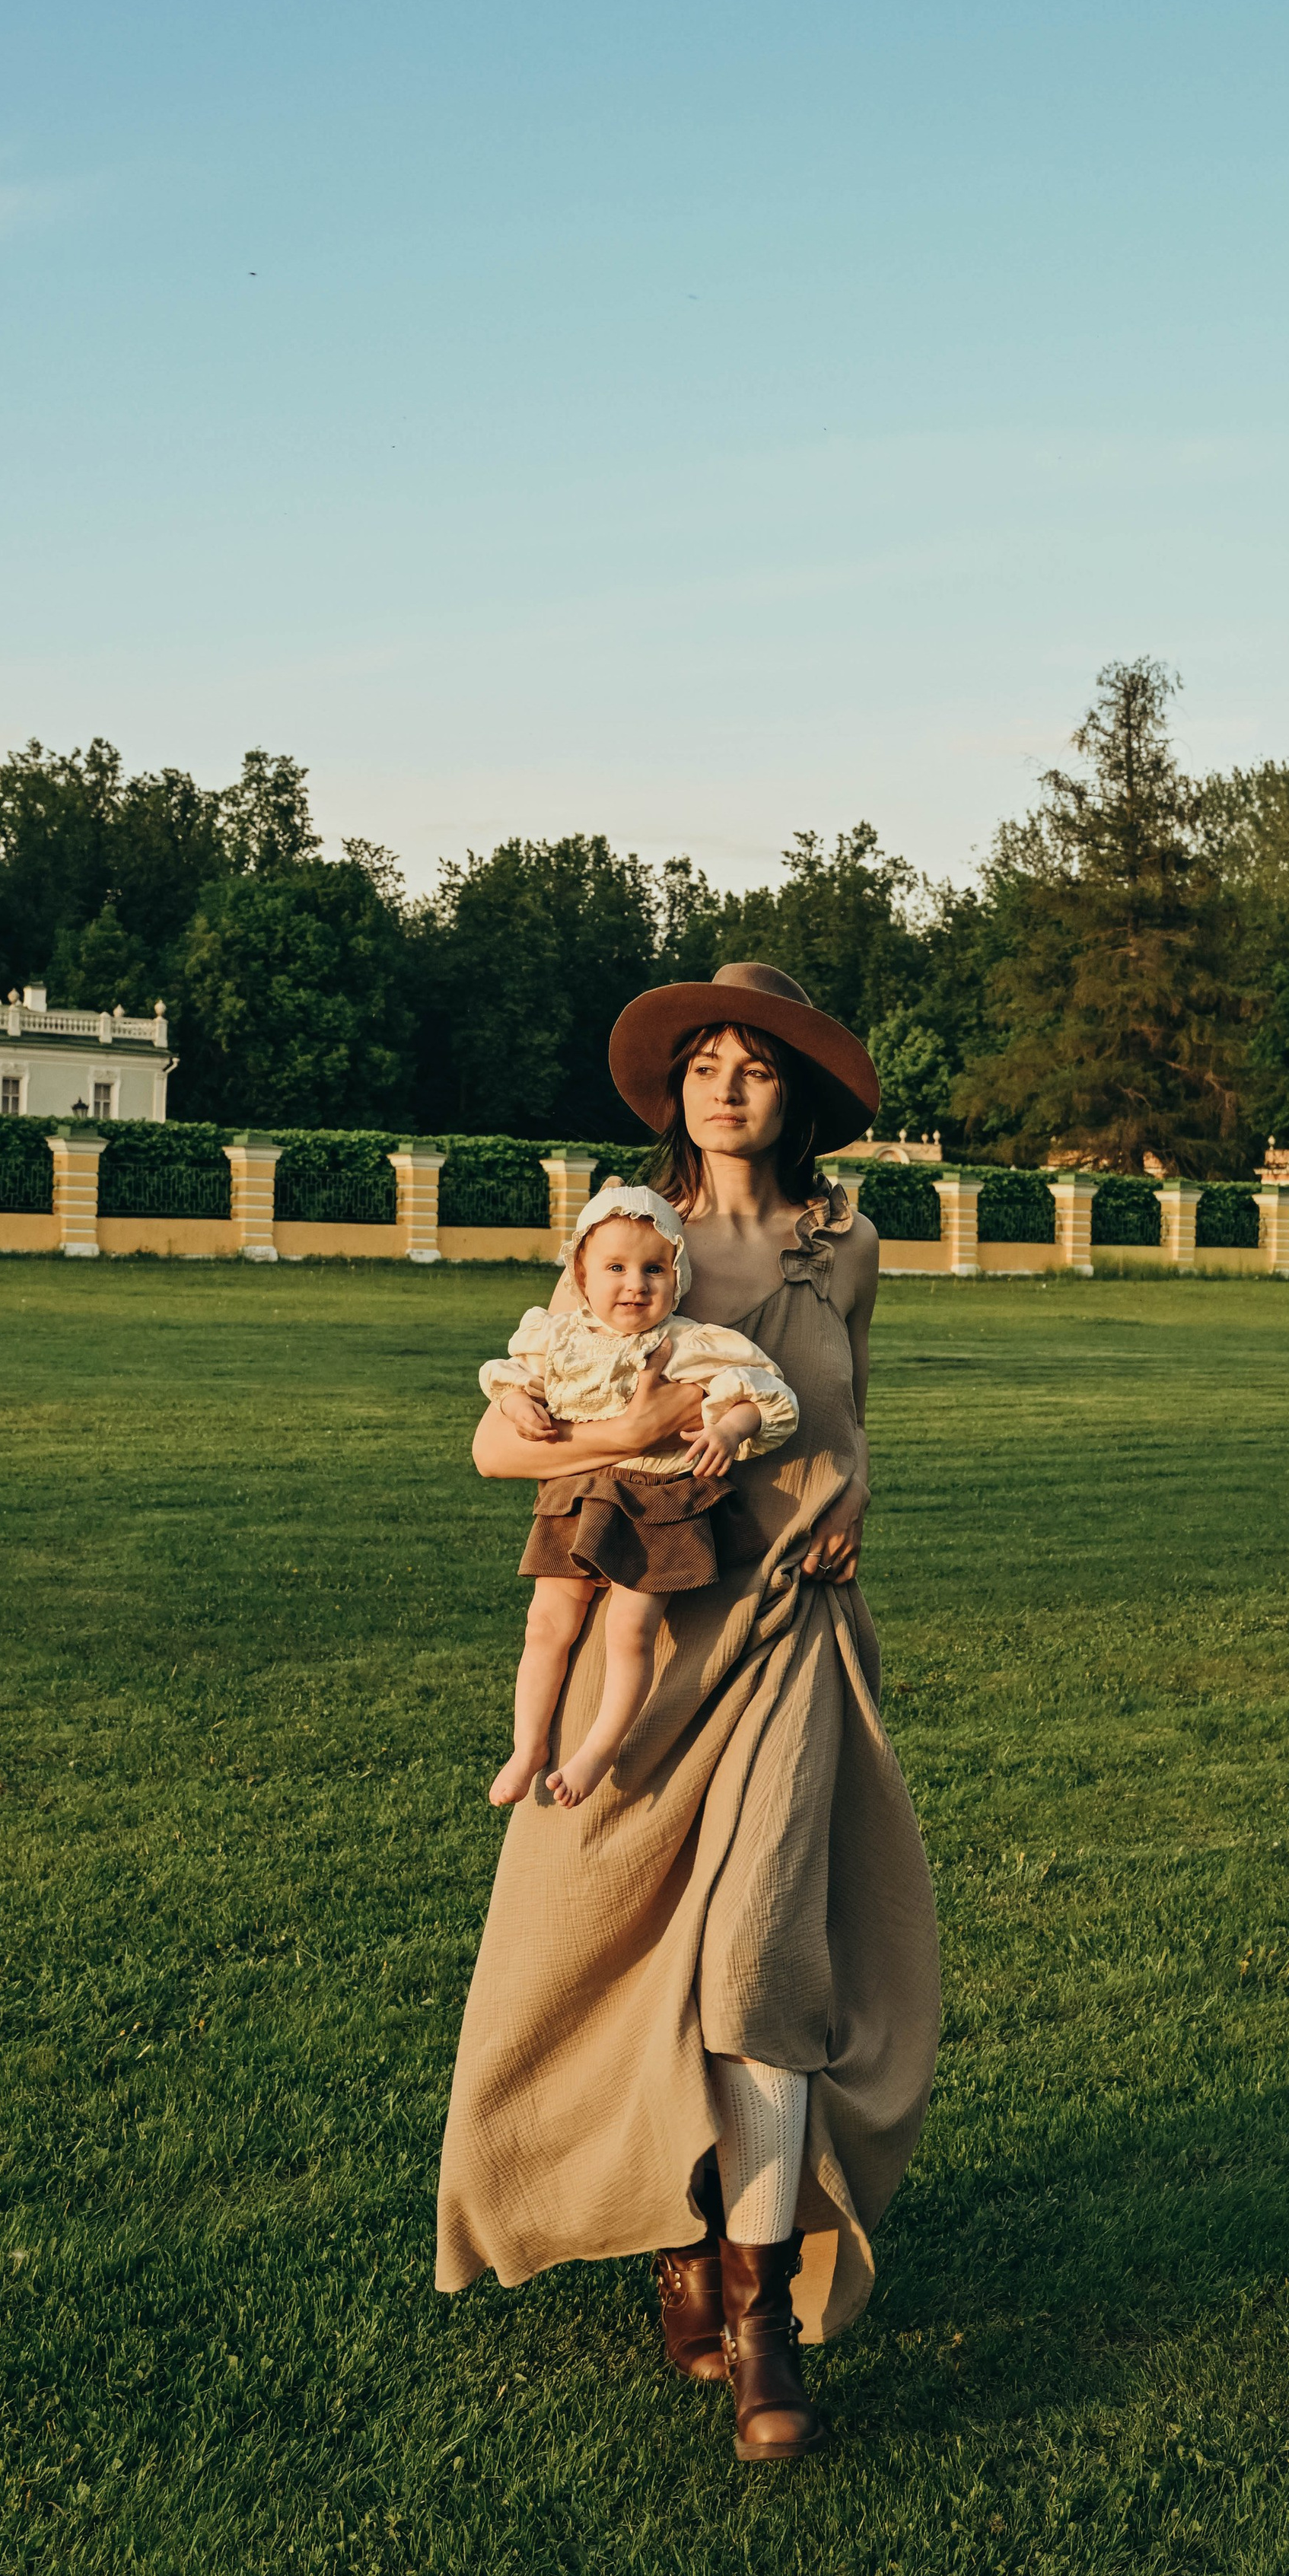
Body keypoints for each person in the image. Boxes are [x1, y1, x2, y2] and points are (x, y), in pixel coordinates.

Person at [438, 962, 940, 2464]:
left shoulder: (839, 1245)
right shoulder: (619, 1243)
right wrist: (647, 1424)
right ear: (675, 1089)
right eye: (708, 1062)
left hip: (786, 1626)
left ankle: (760, 2307)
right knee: (597, 1945)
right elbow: (492, 1449)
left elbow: (847, 1432)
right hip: (643, 1645)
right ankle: (672, 2224)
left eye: (760, 1066)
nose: (731, 1084)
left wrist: (850, 1492)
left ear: (794, 1099)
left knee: (758, 1952)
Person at [479, 1184, 799, 1810]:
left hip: (660, 1498)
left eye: (655, 1269)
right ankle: (527, 1746)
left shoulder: (690, 1342)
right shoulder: (561, 1335)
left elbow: (767, 1393)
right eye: (616, 1269)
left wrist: (730, 1427)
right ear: (581, 1274)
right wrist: (519, 1403)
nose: (635, 1285)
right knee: (545, 1624)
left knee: (632, 1631)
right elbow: (509, 1376)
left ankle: (599, 1747)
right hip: (578, 1494)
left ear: (677, 1278)